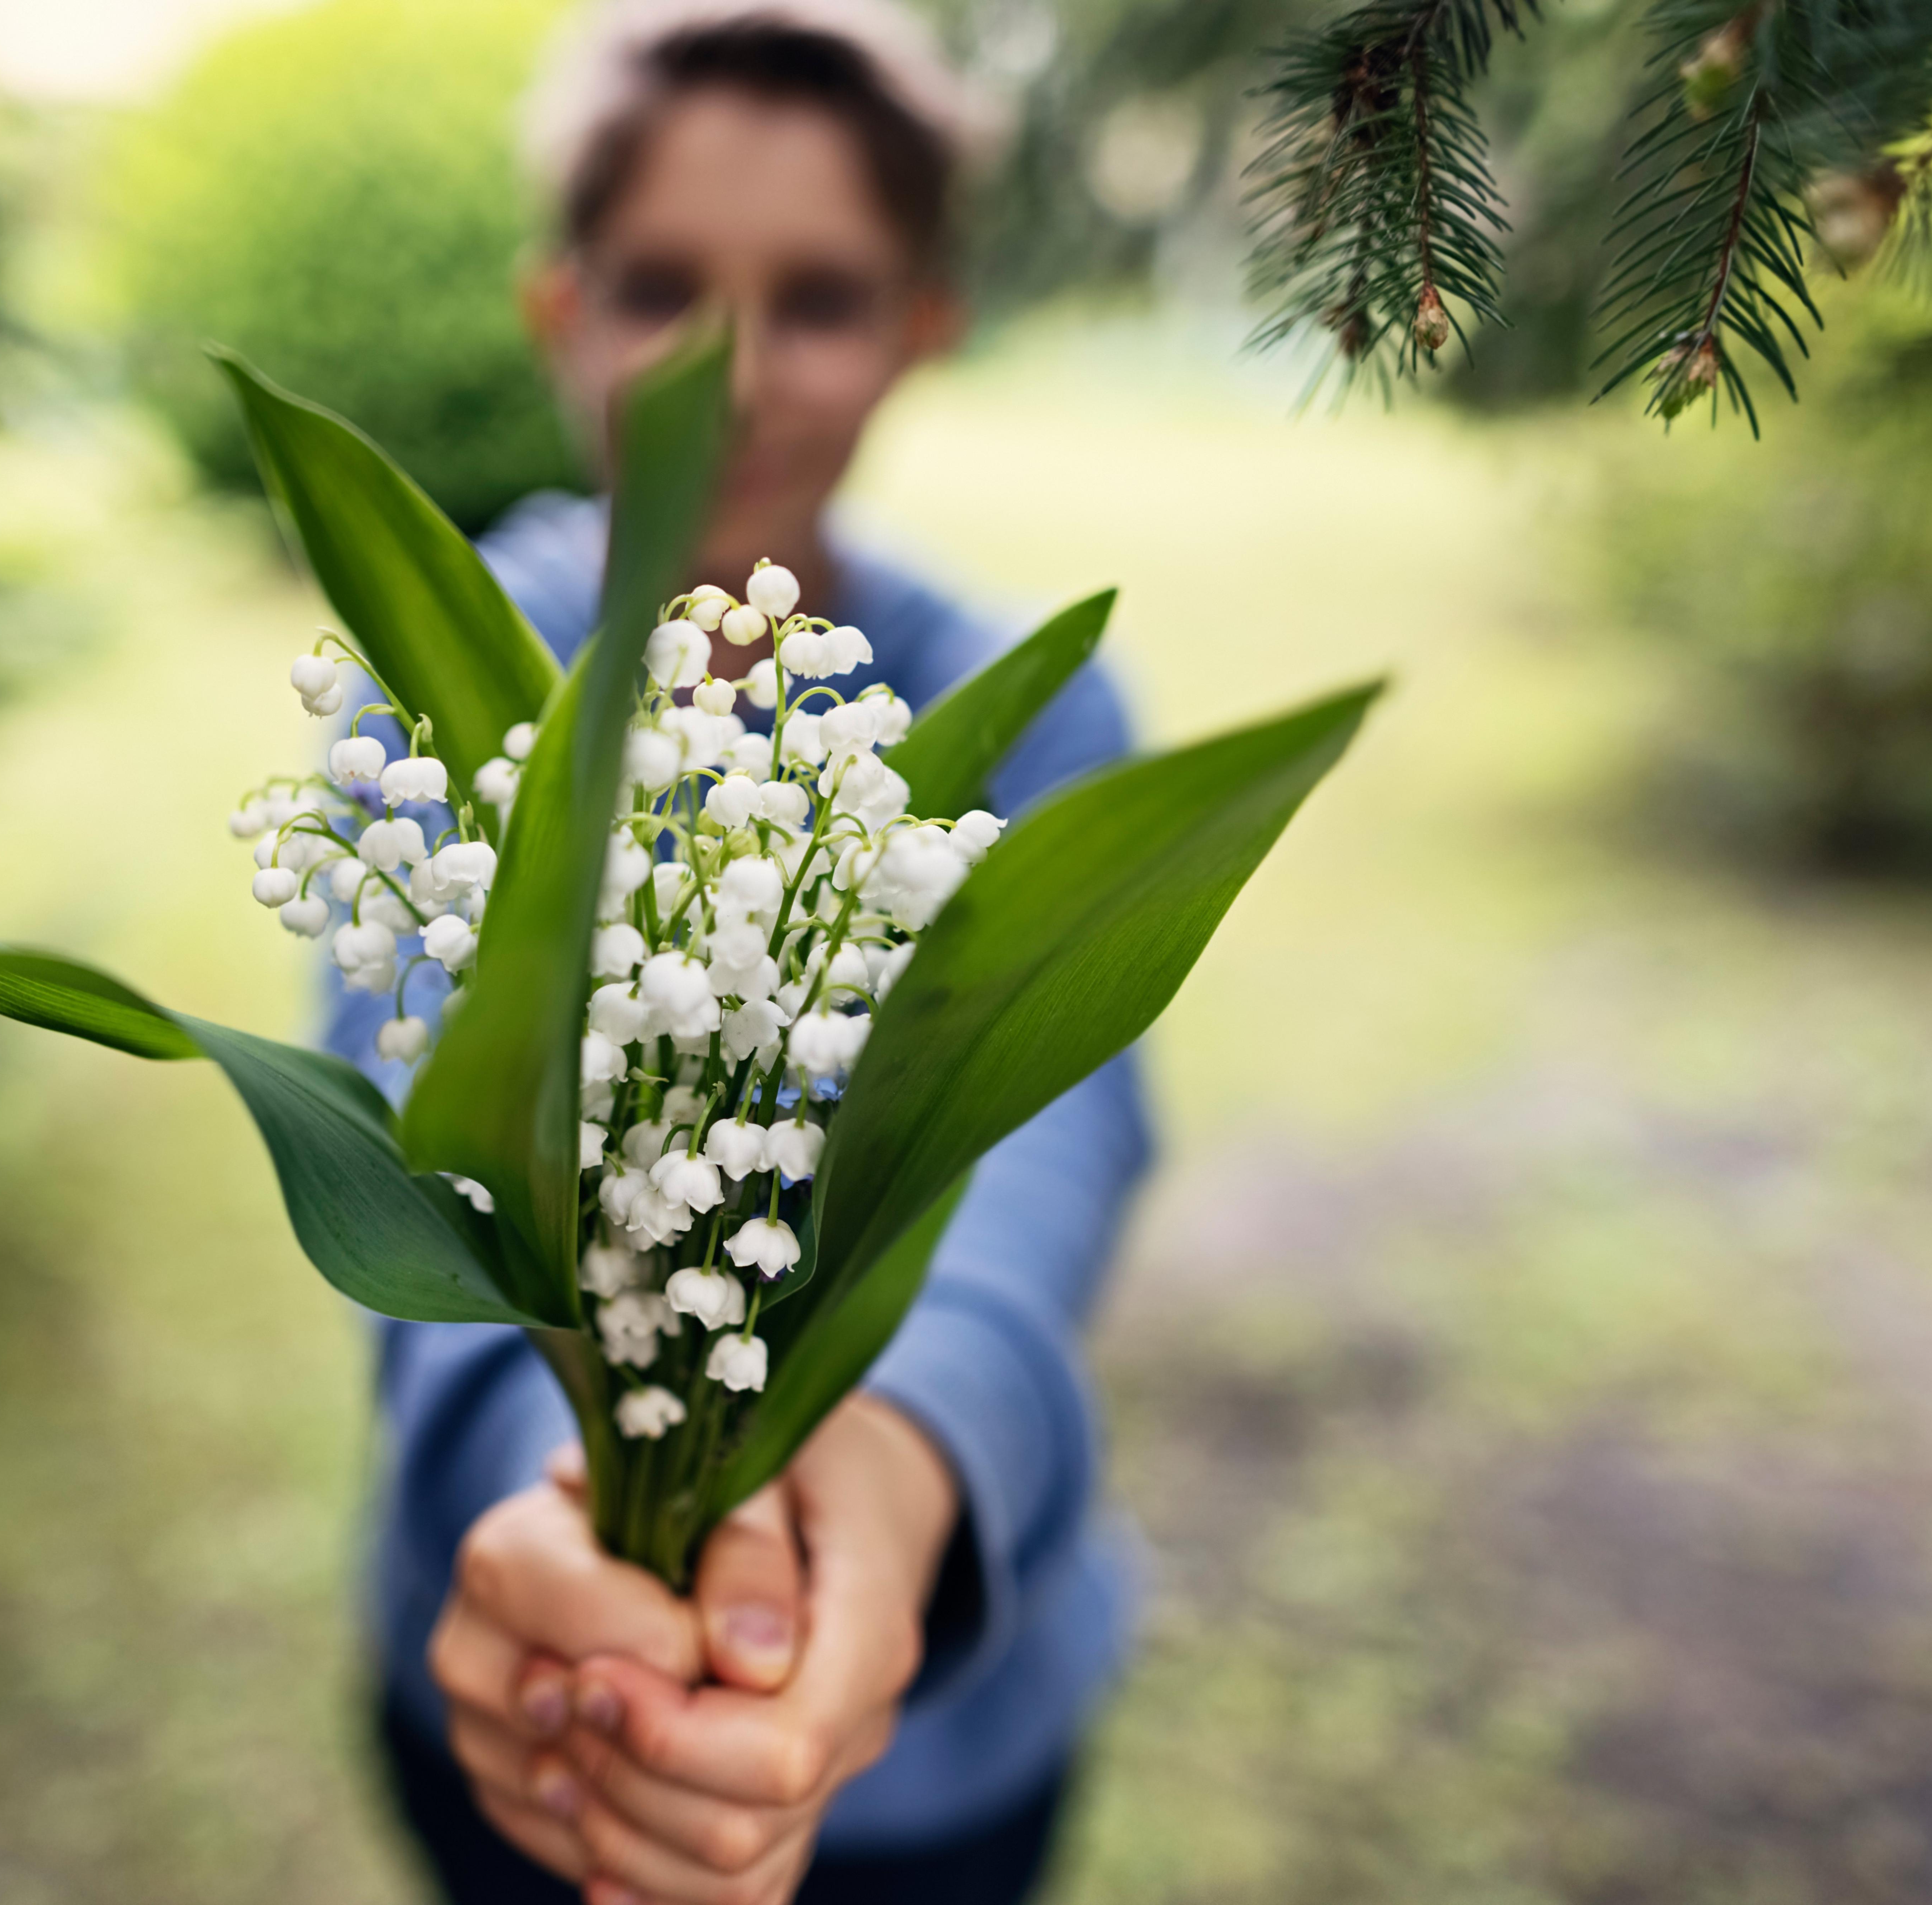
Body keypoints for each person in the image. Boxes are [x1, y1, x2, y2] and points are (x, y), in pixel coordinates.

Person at [324, 6, 1153, 1901]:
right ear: (559, 306)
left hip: (928, 1728)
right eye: (661, 286)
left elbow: (1041, 1155)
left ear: (927, 326)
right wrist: (563, 1580)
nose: (731, 368)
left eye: (824, 299)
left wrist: (906, 1467)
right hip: (534, 1683)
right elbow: (422, 1157)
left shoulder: (1020, 711)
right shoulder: (455, 665)